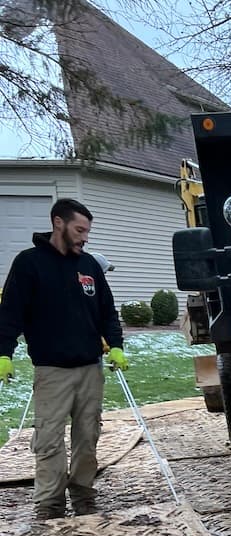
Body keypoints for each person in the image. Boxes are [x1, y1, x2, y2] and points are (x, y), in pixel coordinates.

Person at [0, 197, 128, 519]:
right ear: (59, 223)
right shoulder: (29, 264)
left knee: (88, 437)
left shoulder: (89, 266)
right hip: (51, 371)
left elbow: (107, 311)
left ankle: (84, 496)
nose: (85, 238)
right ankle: (50, 504)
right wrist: (3, 353)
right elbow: (10, 313)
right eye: (80, 230)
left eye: (87, 231)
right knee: (49, 439)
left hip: (89, 369)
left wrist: (116, 345)